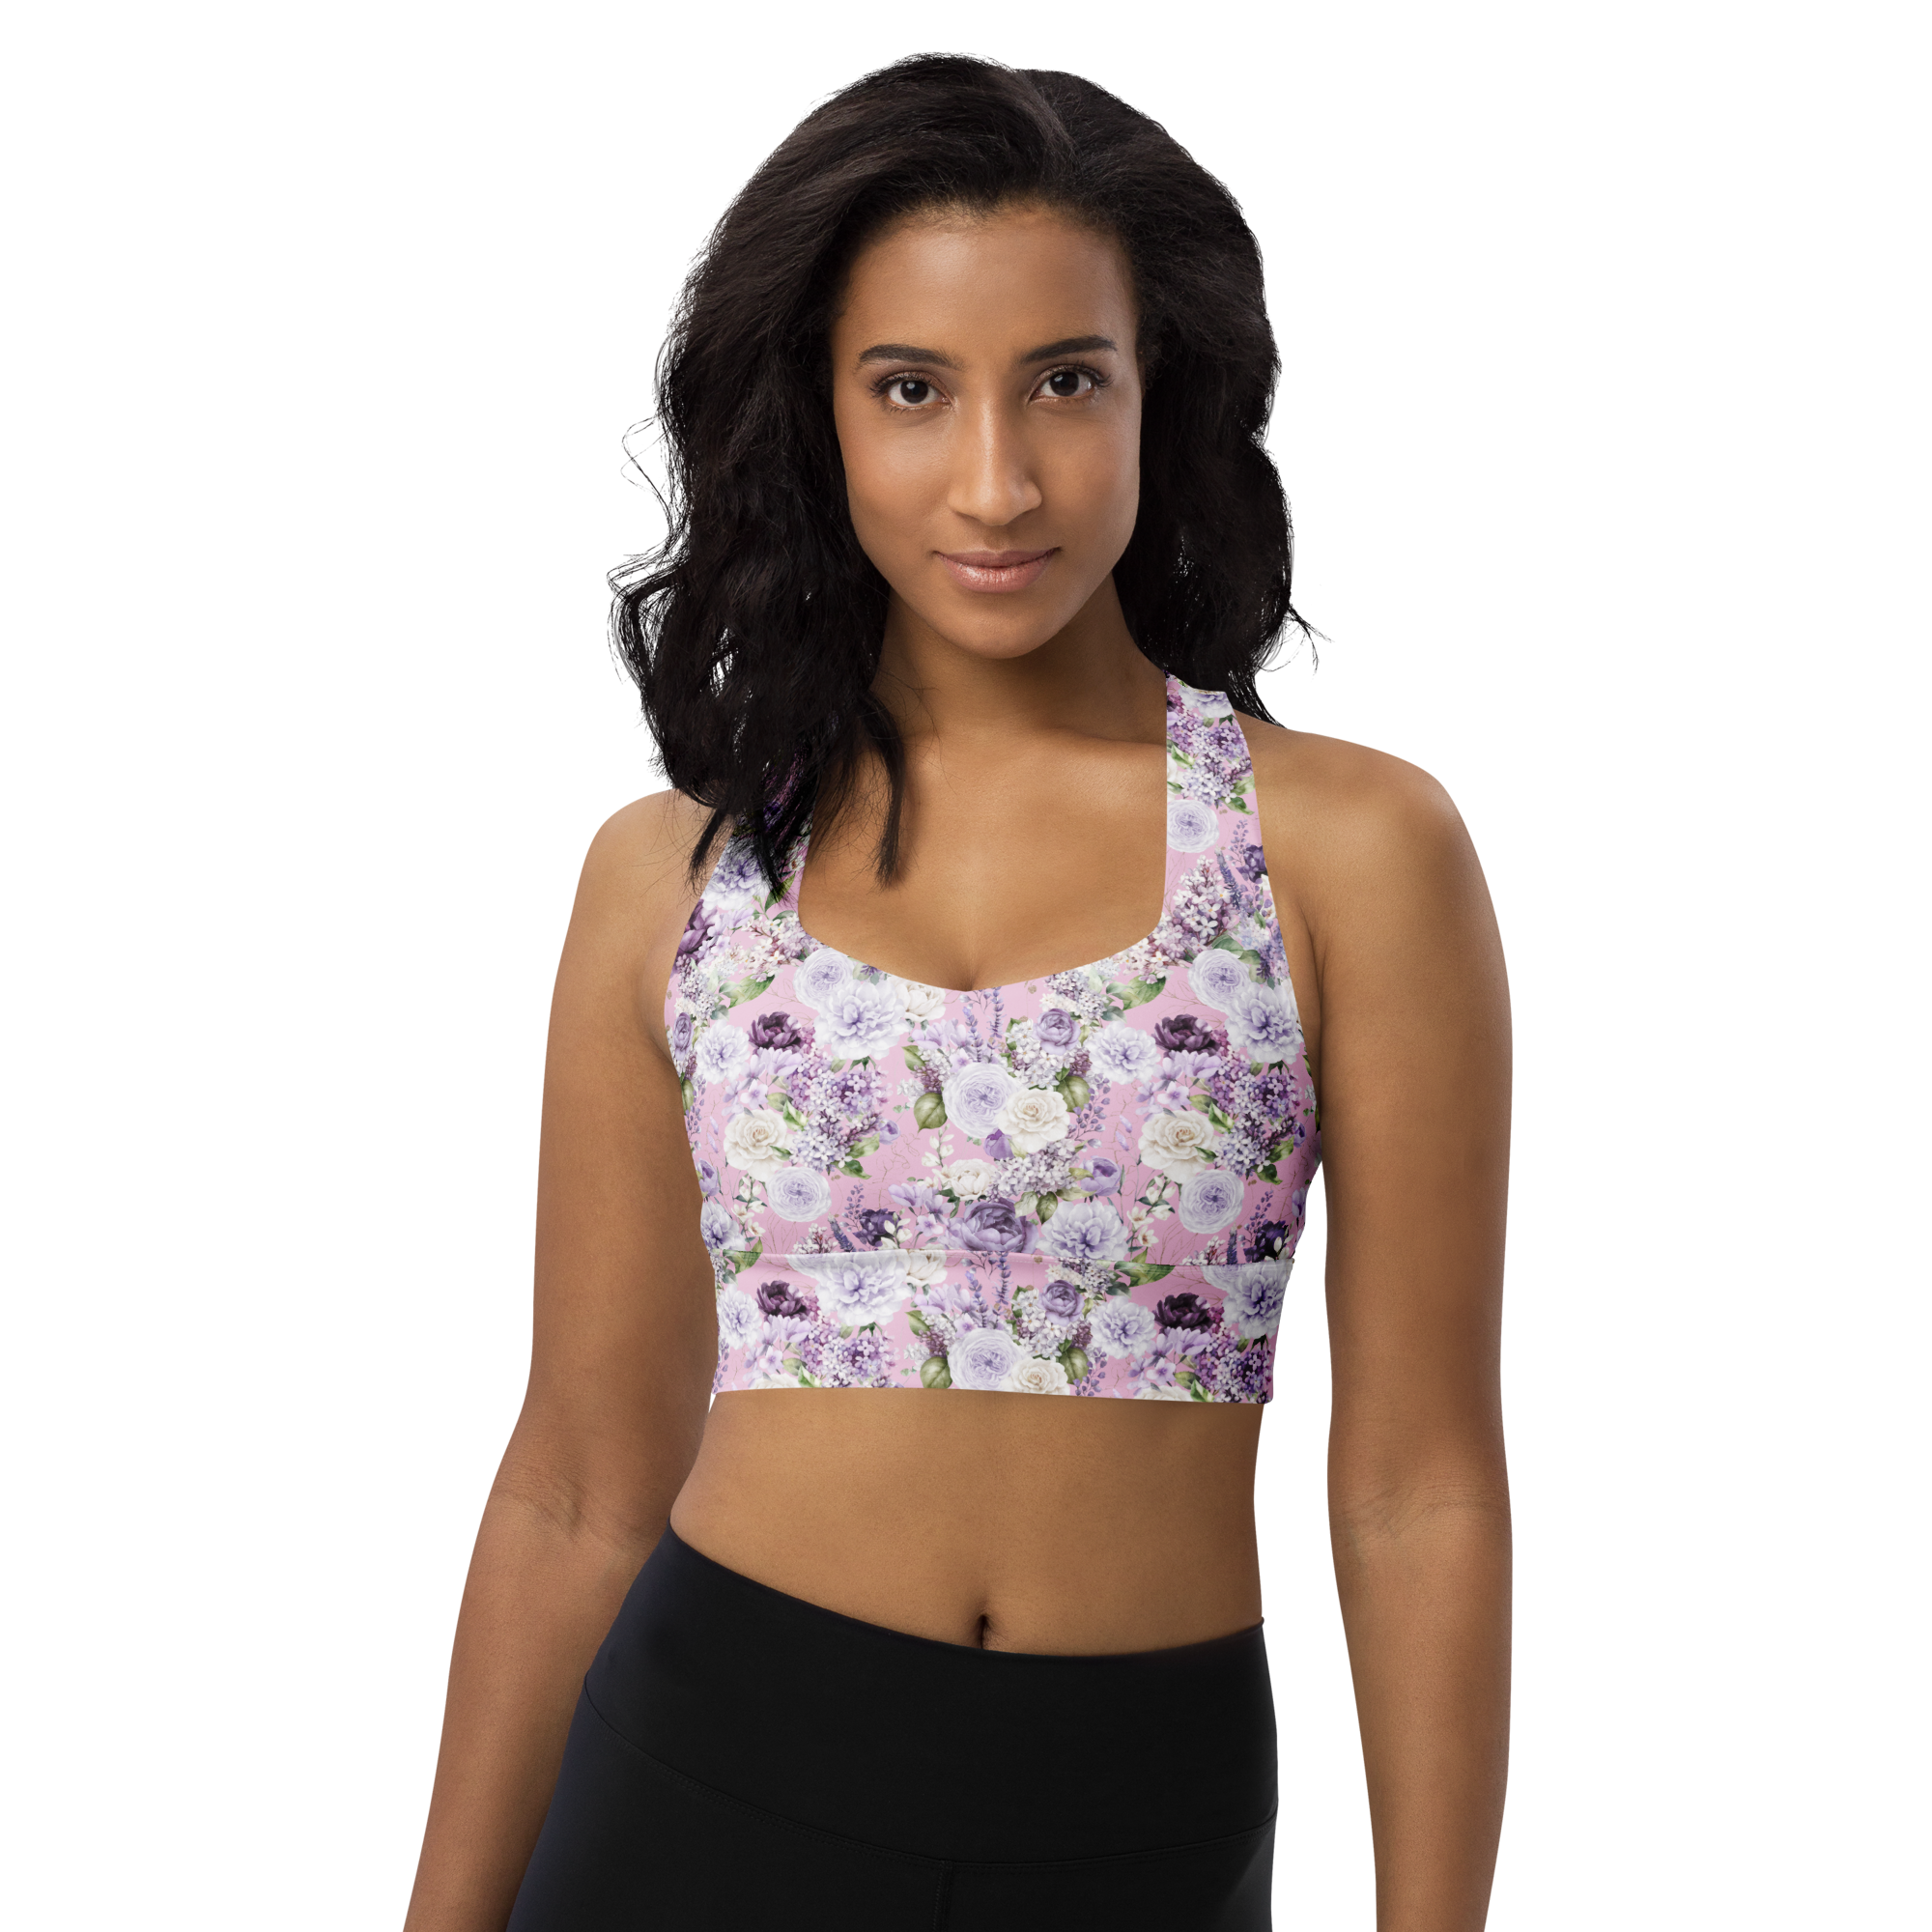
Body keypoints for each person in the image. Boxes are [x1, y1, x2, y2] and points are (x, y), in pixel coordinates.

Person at [405, 52, 1512, 1932]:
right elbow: (579, 1482)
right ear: (817, 411)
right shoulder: (669, 875)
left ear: (1164, 390)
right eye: (910, 388)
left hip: (1145, 1827)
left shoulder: (1350, 849)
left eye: (1066, 382)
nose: (997, 483)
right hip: (705, 1780)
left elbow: (1419, 1490)